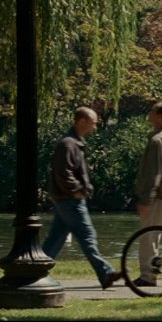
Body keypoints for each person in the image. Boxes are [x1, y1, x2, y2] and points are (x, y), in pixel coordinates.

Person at [42, 107, 121, 290]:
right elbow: (63, 172)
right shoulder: (68, 144)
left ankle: (36, 271)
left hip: (66, 199)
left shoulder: (75, 143)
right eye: (93, 123)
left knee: (55, 238)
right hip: (70, 199)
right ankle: (106, 273)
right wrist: (76, 190)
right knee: (87, 236)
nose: (95, 127)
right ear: (81, 121)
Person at [132, 102, 162, 287]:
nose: (149, 114)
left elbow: (154, 173)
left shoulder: (157, 140)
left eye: (152, 112)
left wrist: (147, 199)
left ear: (160, 116)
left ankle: (148, 275)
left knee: (149, 235)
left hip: (158, 196)